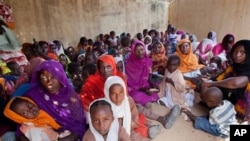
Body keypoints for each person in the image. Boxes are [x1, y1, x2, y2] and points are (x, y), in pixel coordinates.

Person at [24, 60, 87, 139]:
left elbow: (80, 125)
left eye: (53, 77)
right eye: (43, 78)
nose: (49, 82)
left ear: (61, 77)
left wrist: (69, 138)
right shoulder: (34, 96)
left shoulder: (70, 96)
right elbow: (22, 122)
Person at [202, 40, 250, 122]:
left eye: (242, 52)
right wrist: (207, 83)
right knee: (205, 86)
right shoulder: (233, 67)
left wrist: (210, 84)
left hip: (244, 110)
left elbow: (235, 83)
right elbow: (219, 78)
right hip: (230, 100)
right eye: (235, 51)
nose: (237, 55)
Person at [104, 76, 161, 140]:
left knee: (140, 120)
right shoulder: (103, 108)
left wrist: (133, 122)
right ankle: (148, 129)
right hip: (117, 132)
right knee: (135, 135)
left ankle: (149, 127)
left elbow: (135, 115)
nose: (118, 98)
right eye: (113, 94)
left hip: (130, 125)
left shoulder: (128, 101)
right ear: (107, 93)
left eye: (121, 93)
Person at [4, 96, 71, 141]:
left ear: (32, 102)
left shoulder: (43, 114)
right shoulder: (31, 129)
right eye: (24, 112)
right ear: (20, 118)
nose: (30, 110)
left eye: (29, 105)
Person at [125, 40, 159, 106]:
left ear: (144, 49)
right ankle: (149, 99)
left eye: (142, 49)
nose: (140, 52)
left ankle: (148, 98)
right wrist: (144, 89)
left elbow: (149, 77)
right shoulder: (129, 64)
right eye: (137, 50)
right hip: (135, 88)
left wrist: (152, 85)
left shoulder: (148, 61)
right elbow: (130, 83)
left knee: (158, 87)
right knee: (135, 97)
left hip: (145, 85)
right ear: (133, 52)